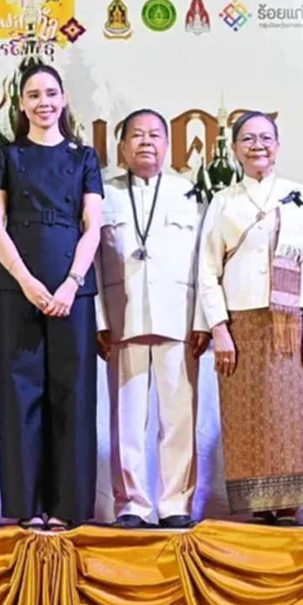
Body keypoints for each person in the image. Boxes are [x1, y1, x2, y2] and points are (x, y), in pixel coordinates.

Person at [197, 111, 303, 524]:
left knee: (295, 414)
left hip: (292, 322)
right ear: (235, 149)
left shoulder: (299, 195)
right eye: (248, 139)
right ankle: (259, 504)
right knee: (250, 415)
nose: (257, 145)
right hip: (241, 323)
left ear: (278, 145)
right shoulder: (224, 201)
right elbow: (207, 269)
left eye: (265, 138)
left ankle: (295, 503)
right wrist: (219, 329)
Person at [0, 64, 104, 531]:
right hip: (16, 287)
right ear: (20, 104)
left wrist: (72, 282)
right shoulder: (7, 155)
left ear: (64, 98)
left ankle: (66, 506)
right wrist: (25, 281)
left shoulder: (84, 157)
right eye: (33, 95)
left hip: (72, 288)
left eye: (51, 93)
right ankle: (26, 504)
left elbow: (92, 227)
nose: (43, 102)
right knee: (19, 395)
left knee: (72, 394)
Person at [95, 108, 209, 529]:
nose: (146, 142)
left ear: (167, 144)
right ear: (122, 147)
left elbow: (204, 262)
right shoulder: (103, 194)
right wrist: (98, 320)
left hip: (178, 320)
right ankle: (131, 505)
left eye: (155, 135)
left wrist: (202, 320)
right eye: (137, 135)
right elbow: (91, 262)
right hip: (122, 319)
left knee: (178, 419)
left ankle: (175, 503)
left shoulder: (190, 193)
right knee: (126, 420)